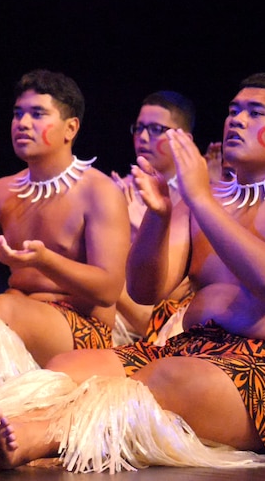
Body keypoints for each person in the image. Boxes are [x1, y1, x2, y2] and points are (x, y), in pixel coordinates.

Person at [0, 74, 265, 469]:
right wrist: (160, 215)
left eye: (255, 113)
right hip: (188, 348)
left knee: (171, 378)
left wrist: (199, 197)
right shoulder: (203, 204)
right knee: (71, 365)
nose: (236, 120)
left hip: (255, 368)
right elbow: (147, 291)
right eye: (234, 111)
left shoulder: (203, 202)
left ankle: (44, 436)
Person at [0, 69, 129, 367]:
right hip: (13, 310)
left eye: (38, 114)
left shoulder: (99, 191)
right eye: (18, 114)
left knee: (2, 308)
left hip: (82, 328)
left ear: (70, 128)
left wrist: (45, 261)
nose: (23, 123)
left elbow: (108, 290)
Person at [111, 91, 196, 342]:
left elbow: (181, 288)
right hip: (116, 316)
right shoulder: (116, 190)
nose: (144, 137)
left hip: (171, 320)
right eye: (139, 128)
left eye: (157, 129)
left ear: (184, 139)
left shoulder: (199, 198)